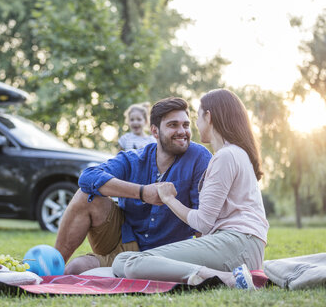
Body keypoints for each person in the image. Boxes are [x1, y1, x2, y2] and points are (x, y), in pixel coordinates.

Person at [112, 89, 269, 290]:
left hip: (237, 244)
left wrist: (168, 199)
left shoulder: (226, 156)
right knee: (122, 260)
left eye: (196, 117)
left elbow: (203, 223)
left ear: (209, 117)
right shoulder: (234, 153)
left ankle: (225, 278)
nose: (195, 125)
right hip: (240, 245)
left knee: (134, 264)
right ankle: (221, 275)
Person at [55, 97, 212, 274]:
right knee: (86, 196)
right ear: (154, 131)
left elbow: (202, 220)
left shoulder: (199, 157)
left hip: (166, 254)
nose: (182, 131)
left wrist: (204, 268)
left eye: (185, 125)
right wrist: (142, 192)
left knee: (77, 269)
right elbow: (88, 177)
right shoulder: (134, 159)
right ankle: (52, 267)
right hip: (123, 244)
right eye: (173, 125)